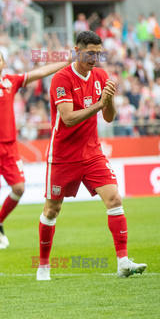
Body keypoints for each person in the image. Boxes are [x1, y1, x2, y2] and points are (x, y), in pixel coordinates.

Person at [36, 31, 147, 280]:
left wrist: (109, 100)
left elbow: (108, 117)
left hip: (92, 152)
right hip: (63, 155)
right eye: (90, 52)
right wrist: (99, 104)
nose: (95, 57)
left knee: (115, 199)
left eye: (98, 53)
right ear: (77, 50)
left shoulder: (101, 76)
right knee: (52, 209)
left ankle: (123, 262)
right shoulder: (61, 78)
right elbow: (68, 118)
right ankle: (43, 265)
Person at [0, 50, 71, 249]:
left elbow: (39, 72)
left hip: (10, 145)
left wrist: (65, 63)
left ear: (3, 62)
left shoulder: (12, 81)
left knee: (19, 188)